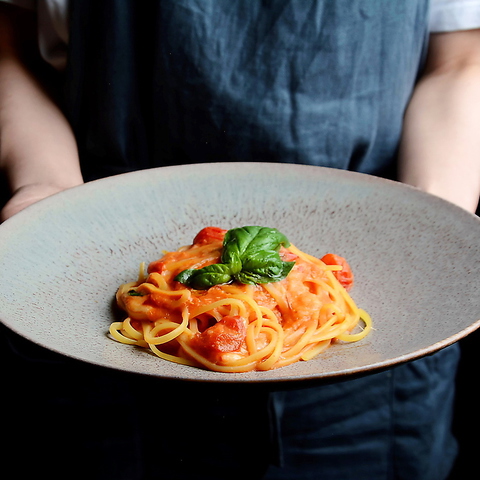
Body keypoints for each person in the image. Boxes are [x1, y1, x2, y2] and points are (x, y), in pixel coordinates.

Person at [1, 1, 480, 479]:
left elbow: (459, 59)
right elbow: (12, 41)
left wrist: (432, 214)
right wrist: (44, 185)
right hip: (92, 322)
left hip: (376, 376)